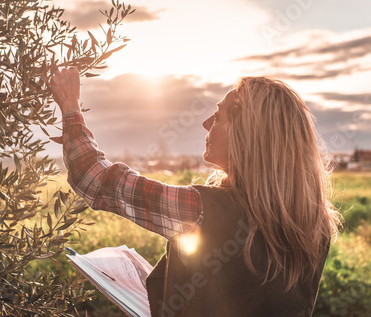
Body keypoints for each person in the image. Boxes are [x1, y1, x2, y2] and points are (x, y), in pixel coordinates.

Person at [50, 67, 341, 317]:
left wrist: (70, 106)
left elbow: (94, 178)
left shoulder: (201, 210)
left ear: (246, 134)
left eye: (218, 116)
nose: (205, 124)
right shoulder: (317, 227)